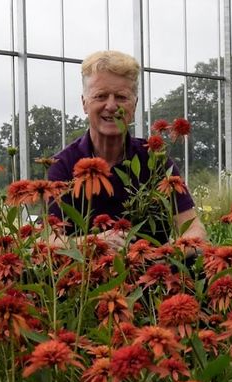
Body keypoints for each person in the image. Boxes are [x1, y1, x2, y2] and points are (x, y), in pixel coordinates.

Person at [47, 50, 206, 250]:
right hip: (85, 275)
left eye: (121, 97)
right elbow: (49, 239)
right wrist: (93, 243)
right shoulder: (63, 165)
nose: (111, 106)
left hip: (154, 272)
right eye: (101, 96)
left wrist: (166, 253)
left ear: (135, 104)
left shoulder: (155, 161)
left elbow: (194, 229)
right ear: (84, 104)